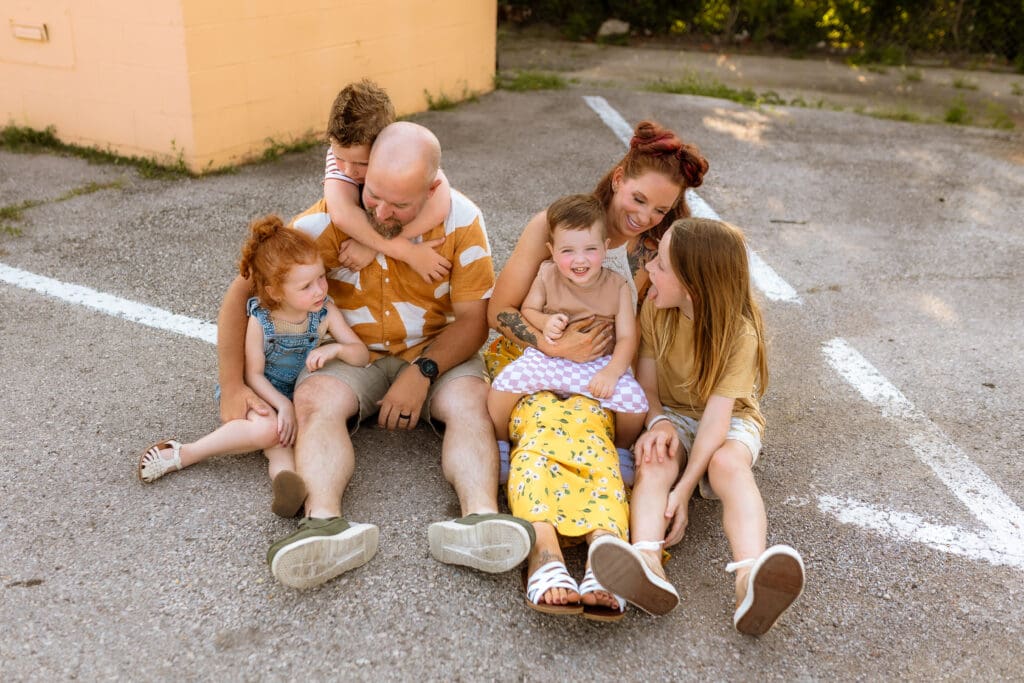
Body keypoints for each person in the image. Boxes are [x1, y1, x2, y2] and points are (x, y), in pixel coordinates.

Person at [217, 122, 534, 590]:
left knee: (471, 403)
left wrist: (423, 372)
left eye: (400, 205)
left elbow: (473, 320)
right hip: (351, 353)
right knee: (313, 402)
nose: (382, 212)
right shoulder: (325, 221)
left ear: (432, 189)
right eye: (373, 196)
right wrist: (233, 385)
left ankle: (480, 520)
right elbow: (244, 290)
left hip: (436, 350)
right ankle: (323, 524)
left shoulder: (463, 221)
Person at [485, 121, 709, 616]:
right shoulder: (556, 226)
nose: (645, 217)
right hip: (539, 361)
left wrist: (670, 453)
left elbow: (653, 337)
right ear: (619, 176)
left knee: (594, 442)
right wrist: (550, 343)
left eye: (660, 209)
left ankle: (604, 553)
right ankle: (543, 551)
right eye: (638, 198)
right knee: (543, 429)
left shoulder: (659, 250)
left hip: (608, 375)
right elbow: (498, 312)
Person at [589, 218, 805, 636]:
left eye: (662, 266)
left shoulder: (739, 334)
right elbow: (647, 387)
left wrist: (684, 491)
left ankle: (749, 579)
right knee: (656, 456)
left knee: (727, 465)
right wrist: (659, 423)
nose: (649, 268)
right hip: (671, 410)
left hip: (729, 420)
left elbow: (716, 422)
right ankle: (647, 561)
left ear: (693, 286)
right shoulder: (655, 306)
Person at [137, 216, 369, 519]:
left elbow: (361, 355)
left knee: (283, 443)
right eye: (306, 286)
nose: (319, 290)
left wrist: (338, 348)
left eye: (321, 278)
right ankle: (185, 453)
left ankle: (287, 488)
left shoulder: (326, 312)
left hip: (295, 397)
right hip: (261, 392)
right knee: (268, 430)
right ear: (274, 292)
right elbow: (253, 374)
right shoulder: (261, 320)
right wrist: (281, 404)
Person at [487, 193, 647, 449]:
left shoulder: (617, 286)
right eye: (568, 251)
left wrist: (611, 372)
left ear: (605, 248)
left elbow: (628, 337)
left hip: (597, 364)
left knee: (637, 404)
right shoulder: (547, 273)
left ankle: (622, 450)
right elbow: (528, 308)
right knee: (501, 388)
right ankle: (500, 443)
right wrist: (544, 322)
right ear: (552, 250)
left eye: (590, 249)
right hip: (548, 359)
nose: (580, 260)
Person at [321, 79, 452, 283]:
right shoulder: (342, 157)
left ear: (384, 148)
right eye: (340, 158)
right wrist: (409, 253)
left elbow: (441, 203)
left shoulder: (404, 155)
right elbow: (342, 215)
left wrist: (370, 244)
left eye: (361, 163)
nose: (348, 170)